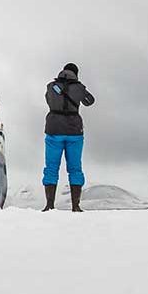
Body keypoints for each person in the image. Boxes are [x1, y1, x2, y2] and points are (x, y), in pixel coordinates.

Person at [43, 62, 96, 213]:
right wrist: (79, 89)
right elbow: (90, 101)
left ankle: (49, 205)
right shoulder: (79, 88)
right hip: (74, 132)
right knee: (75, 168)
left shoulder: (50, 86)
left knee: (51, 167)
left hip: (54, 130)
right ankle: (76, 206)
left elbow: (49, 100)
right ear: (76, 74)